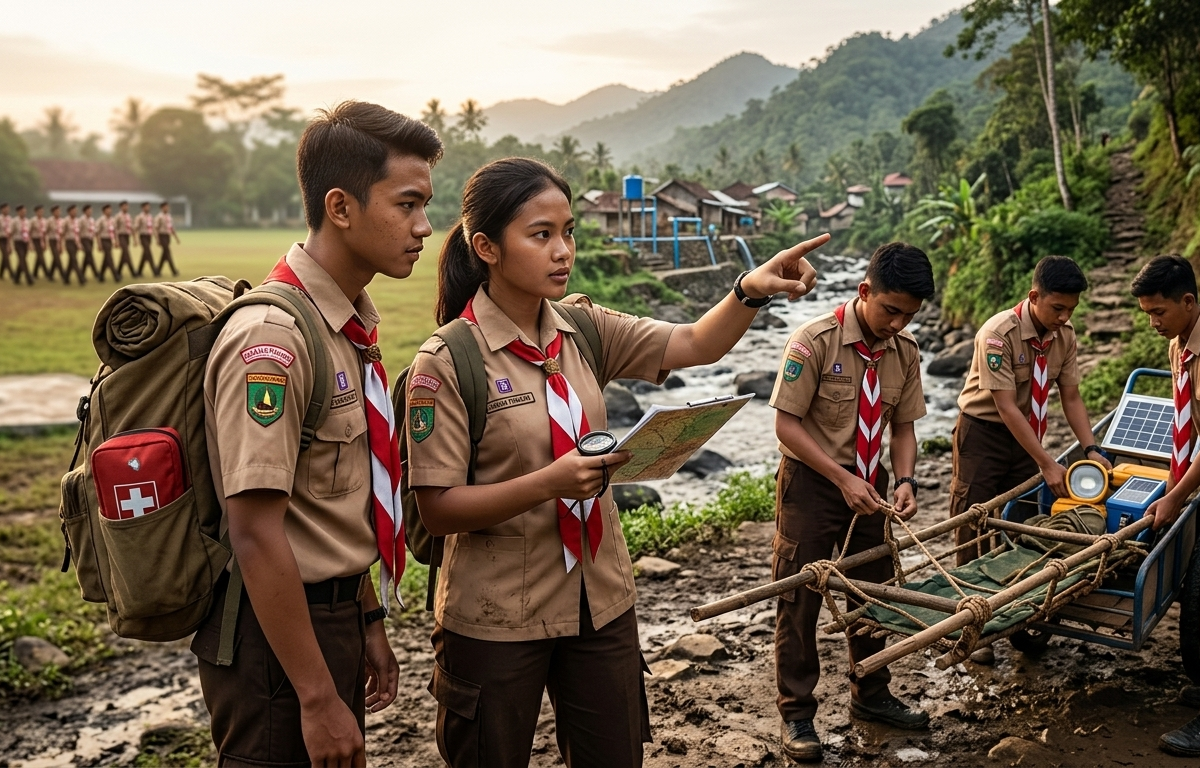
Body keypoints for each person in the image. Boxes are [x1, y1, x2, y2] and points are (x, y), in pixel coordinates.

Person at [406, 156, 823, 768]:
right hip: (495, 617)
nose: (562, 251)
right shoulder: (448, 362)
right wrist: (551, 481)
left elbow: (695, 344)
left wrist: (748, 291)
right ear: (486, 247)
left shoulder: (582, 328)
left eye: (568, 232)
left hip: (598, 600)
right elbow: (437, 510)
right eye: (540, 234)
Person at [191, 100, 442, 766]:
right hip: (273, 638)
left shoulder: (346, 328)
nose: (424, 227)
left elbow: (327, 503)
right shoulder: (274, 339)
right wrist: (315, 696)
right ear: (341, 206)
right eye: (408, 204)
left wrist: (367, 621)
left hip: (327, 618)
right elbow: (255, 529)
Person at [768, 242, 934, 762]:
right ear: (865, 292)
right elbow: (786, 426)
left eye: (909, 315)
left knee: (873, 591)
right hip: (815, 485)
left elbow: (903, 427)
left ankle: (872, 692)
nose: (898, 323)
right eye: (890, 310)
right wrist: (840, 477)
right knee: (800, 598)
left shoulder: (904, 353)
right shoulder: (813, 342)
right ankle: (797, 713)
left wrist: (904, 480)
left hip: (870, 486)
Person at [952, 256, 1105, 560]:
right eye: (1057, 308)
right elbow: (1006, 406)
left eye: (1070, 310)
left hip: (1027, 436)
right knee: (973, 516)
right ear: (1034, 297)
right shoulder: (998, 334)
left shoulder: (1065, 335)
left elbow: (1071, 397)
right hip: (983, 434)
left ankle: (1013, 588)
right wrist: (1047, 463)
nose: (1063, 317)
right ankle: (965, 592)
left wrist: (1091, 448)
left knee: (1021, 516)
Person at [1130, 255, 1200, 757]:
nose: (1153, 323)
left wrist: (1175, 496)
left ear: (1189, 302)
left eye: (1160, 313)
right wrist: (1170, 488)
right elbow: (1188, 425)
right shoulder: (1181, 346)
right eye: (1147, 314)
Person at [154, 201, 181, 277]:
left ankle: (157, 270)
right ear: (162, 208)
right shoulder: (159, 217)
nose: (167, 208)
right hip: (162, 236)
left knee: (165, 254)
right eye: (165, 207)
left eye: (167, 207)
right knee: (168, 252)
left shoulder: (169, 216)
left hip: (167, 236)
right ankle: (174, 271)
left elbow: (171, 228)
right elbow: (156, 229)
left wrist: (176, 238)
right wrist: (157, 239)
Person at [61, 204, 85, 285]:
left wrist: (79, 243)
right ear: (69, 212)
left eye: (76, 211)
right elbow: (62, 233)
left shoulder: (77, 221)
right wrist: (61, 244)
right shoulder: (65, 221)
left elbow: (78, 233)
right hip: (69, 242)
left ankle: (66, 279)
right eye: (73, 211)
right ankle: (81, 279)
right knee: (74, 260)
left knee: (71, 261)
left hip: (76, 242)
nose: (75, 212)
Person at [97, 204, 119, 282]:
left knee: (106, 259)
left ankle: (100, 276)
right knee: (109, 257)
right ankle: (116, 276)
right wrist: (99, 244)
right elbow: (98, 233)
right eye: (108, 209)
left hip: (110, 240)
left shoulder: (112, 220)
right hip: (104, 240)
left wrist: (116, 241)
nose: (109, 211)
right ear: (104, 211)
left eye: (110, 209)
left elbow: (115, 231)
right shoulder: (101, 220)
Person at [11, 204, 32, 285]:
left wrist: (30, 243)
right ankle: (28, 278)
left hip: (25, 242)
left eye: (25, 211)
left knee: (21, 260)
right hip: (18, 242)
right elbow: (11, 233)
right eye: (22, 211)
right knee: (22, 259)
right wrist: (9, 244)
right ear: (18, 212)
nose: (24, 213)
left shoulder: (27, 221)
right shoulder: (14, 221)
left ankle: (16, 278)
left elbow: (28, 233)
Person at [134, 202, 156, 277]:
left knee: (145, 254)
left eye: (148, 207)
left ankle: (139, 271)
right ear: (143, 208)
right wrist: (135, 239)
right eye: (146, 207)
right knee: (148, 252)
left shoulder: (150, 216)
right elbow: (136, 228)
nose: (148, 208)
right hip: (143, 236)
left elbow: (153, 227)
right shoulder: (140, 217)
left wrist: (155, 237)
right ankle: (155, 270)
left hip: (149, 236)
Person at [115, 201, 135, 279]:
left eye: (127, 206)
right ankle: (133, 272)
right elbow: (115, 229)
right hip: (121, 236)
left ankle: (118, 271)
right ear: (121, 207)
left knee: (124, 255)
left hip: (127, 236)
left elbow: (131, 227)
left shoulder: (128, 216)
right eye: (124, 206)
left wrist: (135, 238)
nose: (126, 208)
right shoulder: (118, 216)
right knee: (126, 253)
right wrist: (116, 240)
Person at [79, 204, 99, 281]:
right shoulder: (81, 220)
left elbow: (95, 230)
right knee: (89, 253)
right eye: (88, 210)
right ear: (85, 211)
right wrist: (79, 242)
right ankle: (96, 273)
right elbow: (78, 231)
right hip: (84, 239)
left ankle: (82, 274)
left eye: (91, 210)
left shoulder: (92, 220)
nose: (90, 212)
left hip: (90, 239)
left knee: (87, 256)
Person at [30, 204, 49, 280]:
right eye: (39, 211)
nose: (41, 213)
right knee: (41, 257)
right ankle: (47, 274)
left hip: (42, 239)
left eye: (42, 211)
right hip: (35, 240)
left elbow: (45, 232)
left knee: (39, 257)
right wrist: (30, 243)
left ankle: (34, 273)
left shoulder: (45, 221)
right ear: (36, 212)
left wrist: (45, 242)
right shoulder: (32, 221)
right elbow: (29, 232)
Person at [46, 204, 65, 281]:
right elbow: (45, 232)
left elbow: (63, 232)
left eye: (59, 211)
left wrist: (61, 243)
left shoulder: (62, 221)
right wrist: (44, 242)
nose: (58, 212)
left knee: (55, 258)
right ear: (53, 212)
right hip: (52, 240)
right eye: (56, 211)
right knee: (57, 257)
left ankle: (50, 275)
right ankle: (64, 275)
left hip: (59, 240)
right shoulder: (49, 221)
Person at [0, 203, 11, 280]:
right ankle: (12, 274)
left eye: (7, 208)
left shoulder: (10, 219)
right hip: (1, 238)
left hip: (8, 239)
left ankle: (1, 274)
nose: (6, 210)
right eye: (5, 208)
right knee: (6, 255)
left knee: (5, 256)